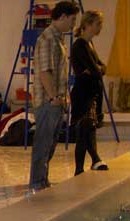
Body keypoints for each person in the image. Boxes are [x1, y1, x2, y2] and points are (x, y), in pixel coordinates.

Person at [28, 1, 80, 192]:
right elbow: (45, 72)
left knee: (50, 144)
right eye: (72, 20)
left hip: (56, 100)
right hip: (48, 101)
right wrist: (53, 97)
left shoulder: (58, 39)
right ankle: (37, 182)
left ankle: (42, 180)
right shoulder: (47, 39)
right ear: (63, 16)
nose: (73, 24)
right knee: (43, 143)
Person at [71, 10, 110, 176]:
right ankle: (93, 160)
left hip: (90, 92)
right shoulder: (80, 45)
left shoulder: (89, 44)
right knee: (85, 129)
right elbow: (96, 70)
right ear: (87, 24)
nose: (100, 27)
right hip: (83, 94)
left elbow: (102, 67)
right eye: (97, 24)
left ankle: (85, 166)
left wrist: (96, 70)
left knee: (87, 130)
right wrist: (96, 70)